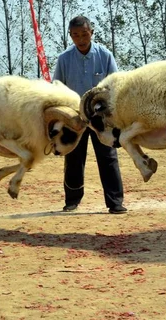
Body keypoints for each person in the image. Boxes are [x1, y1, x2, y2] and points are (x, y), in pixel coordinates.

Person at [53, 15, 126, 214]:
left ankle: (115, 202)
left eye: (84, 34)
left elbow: (115, 85)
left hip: (101, 117)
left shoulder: (105, 55)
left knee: (108, 157)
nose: (81, 39)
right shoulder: (64, 59)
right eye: (76, 35)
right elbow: (57, 87)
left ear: (91, 33)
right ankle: (72, 200)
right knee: (74, 158)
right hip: (74, 116)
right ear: (71, 36)